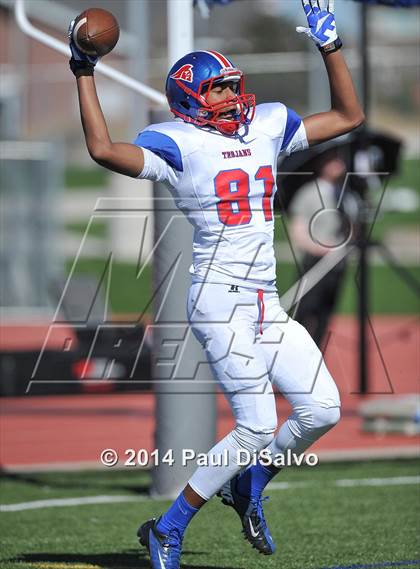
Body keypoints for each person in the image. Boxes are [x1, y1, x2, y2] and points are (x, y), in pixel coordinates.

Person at [68, 1, 364, 567]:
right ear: (190, 102)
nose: (234, 97)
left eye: (233, 86)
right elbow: (104, 150)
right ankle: (167, 527)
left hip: (262, 303)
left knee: (322, 410)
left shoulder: (269, 125)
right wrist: (85, 72)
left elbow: (348, 116)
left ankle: (246, 484)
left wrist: (331, 48)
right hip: (218, 299)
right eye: (220, 90)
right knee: (255, 424)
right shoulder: (177, 143)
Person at [289, 152, 351, 348]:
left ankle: (316, 353)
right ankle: (296, 354)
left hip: (336, 262)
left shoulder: (345, 194)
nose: (338, 165)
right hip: (314, 261)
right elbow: (297, 227)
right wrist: (316, 247)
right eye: (333, 161)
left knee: (326, 312)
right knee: (305, 311)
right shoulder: (309, 192)